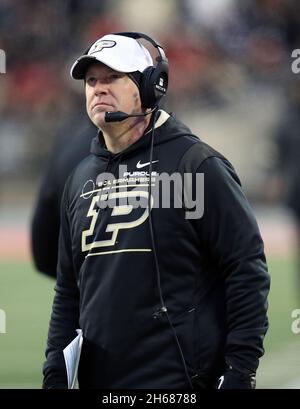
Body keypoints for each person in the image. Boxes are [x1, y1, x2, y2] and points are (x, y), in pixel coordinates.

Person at [43, 32, 270, 389]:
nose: (98, 89)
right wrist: (55, 372)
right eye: (91, 81)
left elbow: (245, 268)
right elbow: (69, 292)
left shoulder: (195, 164)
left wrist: (241, 369)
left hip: (178, 383)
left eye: (112, 78)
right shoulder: (79, 179)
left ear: (151, 86)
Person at [31, 119, 96, 278]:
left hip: (80, 288)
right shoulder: (164, 149)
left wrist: (71, 282)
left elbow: (42, 248)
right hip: (151, 294)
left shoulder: (68, 143)